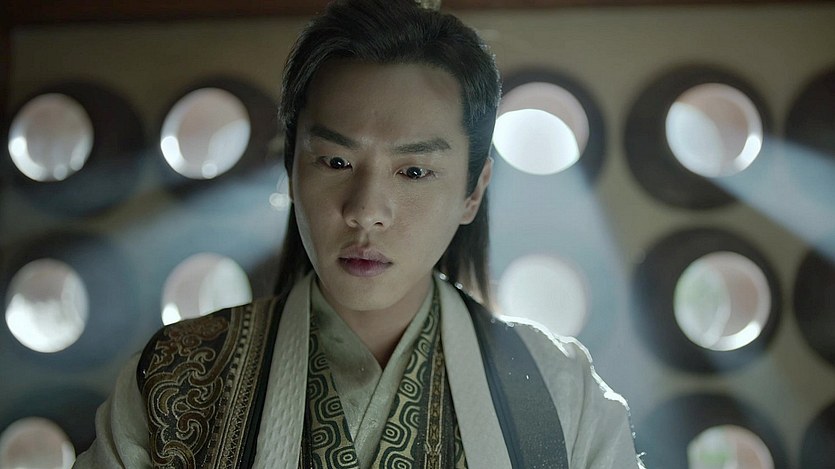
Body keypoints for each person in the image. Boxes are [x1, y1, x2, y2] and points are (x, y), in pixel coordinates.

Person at [74, 0, 644, 467]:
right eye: (335, 162)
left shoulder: (561, 393)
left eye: (414, 171)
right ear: (291, 170)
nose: (366, 211)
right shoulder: (174, 377)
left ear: (474, 191)